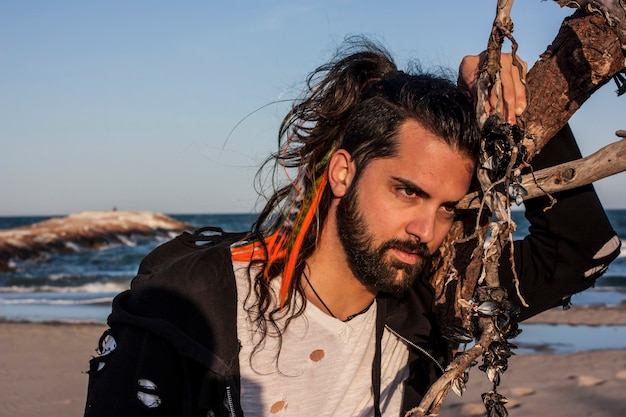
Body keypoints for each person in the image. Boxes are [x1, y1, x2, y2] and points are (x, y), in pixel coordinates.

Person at [83, 39, 620, 417]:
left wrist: (517, 111)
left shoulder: (426, 298)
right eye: (407, 191)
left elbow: (583, 250)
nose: (425, 229)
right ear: (344, 171)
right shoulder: (192, 304)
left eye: (448, 207)